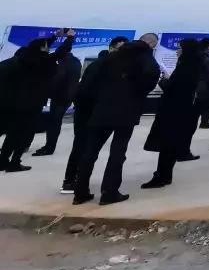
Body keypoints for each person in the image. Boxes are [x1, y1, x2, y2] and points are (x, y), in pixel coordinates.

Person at [73, 34, 160, 205]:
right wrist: (138, 92)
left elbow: (91, 81)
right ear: (149, 43)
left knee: (90, 152)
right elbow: (152, 75)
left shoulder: (113, 56)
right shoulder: (145, 56)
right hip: (126, 111)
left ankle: (80, 192)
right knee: (118, 152)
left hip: (102, 108)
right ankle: (109, 192)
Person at [0, 29, 76, 172]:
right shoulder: (43, 61)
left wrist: (54, 36)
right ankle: (15, 162)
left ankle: (3, 160)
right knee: (23, 133)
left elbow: (41, 46)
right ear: (42, 49)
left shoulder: (22, 59)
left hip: (15, 102)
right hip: (33, 103)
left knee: (12, 133)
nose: (48, 48)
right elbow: (61, 52)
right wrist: (70, 38)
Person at [61, 42, 124, 193]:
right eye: (118, 49)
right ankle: (70, 181)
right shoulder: (100, 66)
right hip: (88, 112)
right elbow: (86, 90)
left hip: (93, 111)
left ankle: (75, 181)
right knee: (82, 146)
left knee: (84, 147)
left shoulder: (105, 65)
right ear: (111, 48)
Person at [141, 38, 201, 189]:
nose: (177, 51)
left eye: (180, 48)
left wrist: (163, 81)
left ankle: (161, 176)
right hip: (182, 110)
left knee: (167, 144)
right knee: (171, 145)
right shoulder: (194, 65)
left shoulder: (185, 67)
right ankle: (166, 175)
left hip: (173, 110)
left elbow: (173, 88)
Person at [33, 34, 82, 157]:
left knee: (54, 122)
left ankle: (49, 147)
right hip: (68, 96)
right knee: (56, 121)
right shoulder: (76, 61)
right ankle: (50, 146)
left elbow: (58, 79)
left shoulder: (63, 62)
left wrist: (47, 90)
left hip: (60, 95)